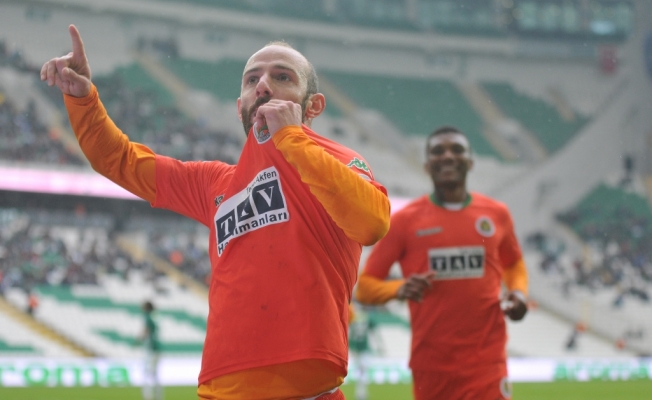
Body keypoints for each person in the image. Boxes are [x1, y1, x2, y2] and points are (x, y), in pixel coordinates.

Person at [41, 25, 390, 399]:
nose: (263, 85)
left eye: (282, 77)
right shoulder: (214, 182)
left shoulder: (339, 161)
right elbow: (120, 160)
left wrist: (290, 137)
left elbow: (371, 224)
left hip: (308, 390)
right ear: (240, 107)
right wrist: (82, 99)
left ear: (313, 106)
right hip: (219, 387)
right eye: (252, 79)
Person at [355, 126, 528, 400]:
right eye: (438, 151)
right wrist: (399, 289)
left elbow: (514, 264)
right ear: (427, 166)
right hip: (432, 368)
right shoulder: (405, 222)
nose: (447, 156)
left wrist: (518, 293)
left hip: (488, 364)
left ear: (470, 162)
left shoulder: (497, 214)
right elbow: (365, 287)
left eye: (457, 150)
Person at [139, 301, 162, 400]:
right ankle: (158, 396)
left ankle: (147, 396)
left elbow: (146, 331)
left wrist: (139, 340)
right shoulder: (155, 317)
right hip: (157, 348)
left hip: (151, 349)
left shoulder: (147, 317)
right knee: (155, 374)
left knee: (146, 373)